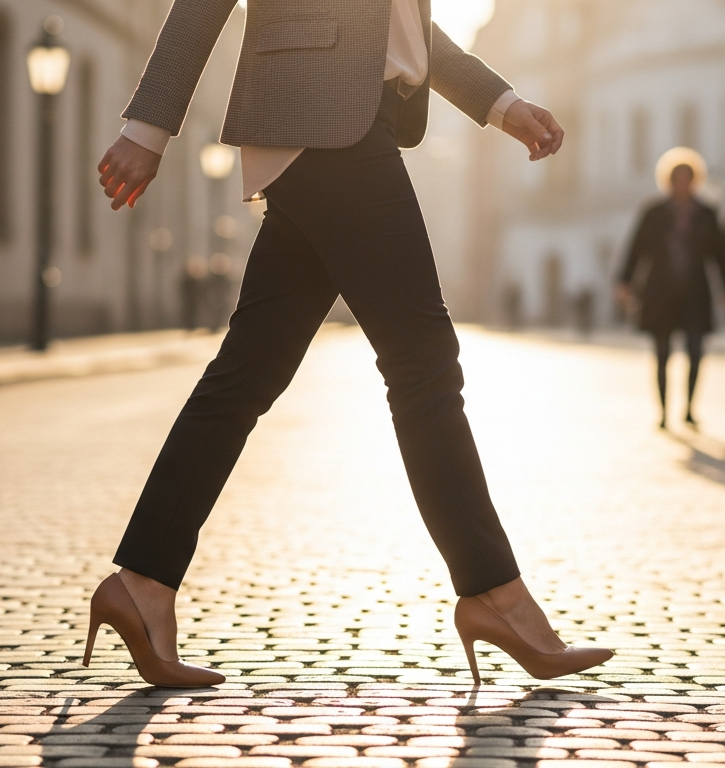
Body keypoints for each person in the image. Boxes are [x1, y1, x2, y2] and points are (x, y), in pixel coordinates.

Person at [87, 0, 613, 688]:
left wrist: (499, 103)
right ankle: (495, 595)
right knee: (424, 366)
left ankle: (142, 583)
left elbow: (394, 22)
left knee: (246, 374)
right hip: (324, 127)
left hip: (346, 124)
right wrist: (147, 129)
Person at [617, 148, 725, 429]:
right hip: (660, 293)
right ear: (668, 181)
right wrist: (625, 282)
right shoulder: (654, 213)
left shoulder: (707, 214)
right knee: (662, 354)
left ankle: (689, 408)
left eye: (687, 178)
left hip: (695, 292)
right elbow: (636, 249)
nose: (682, 184)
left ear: (695, 181)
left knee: (695, 351)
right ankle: (663, 412)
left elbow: (722, 255)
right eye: (676, 178)